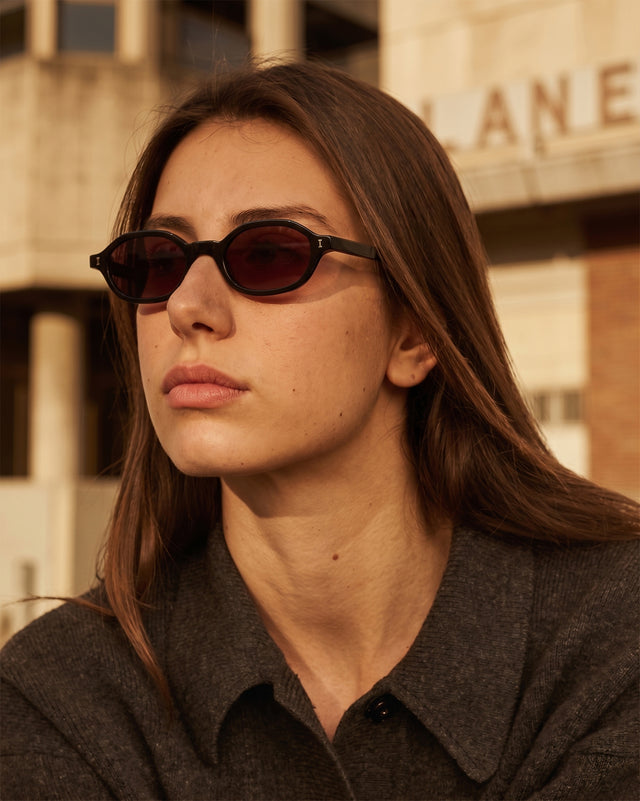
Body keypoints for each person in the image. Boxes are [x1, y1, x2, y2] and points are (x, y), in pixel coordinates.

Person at [1, 60, 638, 801]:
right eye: (160, 261)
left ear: (413, 332)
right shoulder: (62, 696)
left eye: (268, 253)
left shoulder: (612, 633)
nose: (186, 306)